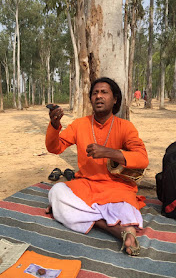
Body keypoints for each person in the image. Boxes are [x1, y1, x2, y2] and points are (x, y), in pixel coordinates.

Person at [45, 77, 149, 256]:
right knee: (56, 192)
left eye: (104, 92)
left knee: (126, 207)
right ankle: (118, 230)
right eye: (95, 93)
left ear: (115, 99)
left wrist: (109, 152)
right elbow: (54, 147)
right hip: (86, 185)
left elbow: (142, 159)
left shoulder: (125, 127)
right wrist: (55, 125)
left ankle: (83, 215)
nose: (98, 96)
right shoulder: (79, 124)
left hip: (117, 188)